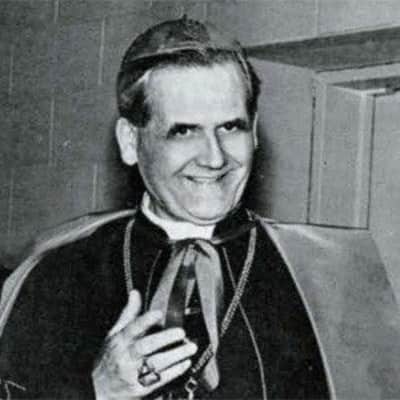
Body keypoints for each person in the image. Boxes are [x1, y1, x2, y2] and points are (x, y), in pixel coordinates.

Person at [0, 16, 399, 400]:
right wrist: (98, 392)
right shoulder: (52, 277)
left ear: (254, 132)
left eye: (231, 127)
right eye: (184, 131)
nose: (214, 158)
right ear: (130, 141)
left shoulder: (331, 280)